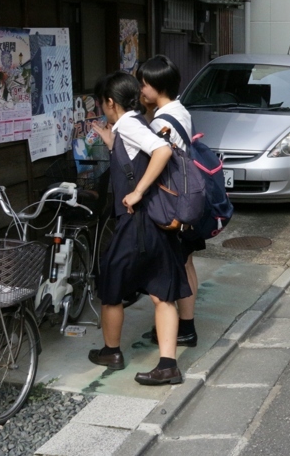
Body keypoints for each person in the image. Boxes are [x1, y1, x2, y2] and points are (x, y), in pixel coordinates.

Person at [88, 71, 191, 385]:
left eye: (101, 104)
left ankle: (111, 351)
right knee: (162, 293)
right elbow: (136, 161)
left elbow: (162, 151)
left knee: (111, 286)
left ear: (110, 102)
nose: (102, 110)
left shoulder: (130, 125)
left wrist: (137, 191)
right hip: (151, 222)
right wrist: (111, 145)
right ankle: (167, 364)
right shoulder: (129, 125)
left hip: (138, 221)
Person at [138, 55, 203, 348]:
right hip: (186, 196)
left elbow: (157, 158)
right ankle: (186, 328)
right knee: (186, 262)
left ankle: (179, 329)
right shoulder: (179, 110)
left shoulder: (162, 121)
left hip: (172, 200)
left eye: (144, 84)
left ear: (156, 86)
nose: (140, 90)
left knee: (173, 266)